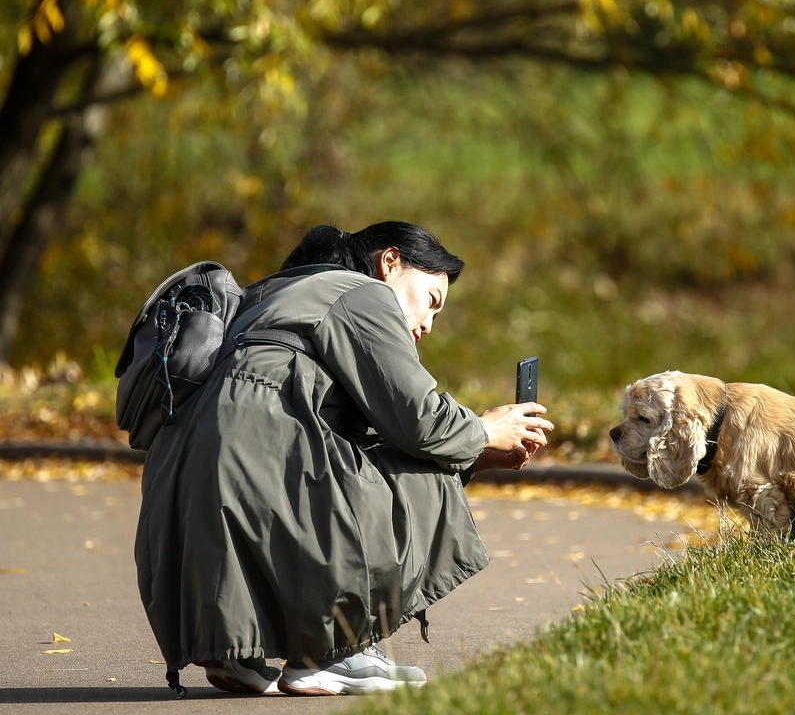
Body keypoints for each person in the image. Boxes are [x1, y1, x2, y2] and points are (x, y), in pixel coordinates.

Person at [134, 221, 554, 697]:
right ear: (389, 262)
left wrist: (475, 454)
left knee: (361, 463)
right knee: (424, 468)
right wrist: (484, 430)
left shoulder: (268, 295)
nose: (428, 324)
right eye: (431, 301)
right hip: (256, 462)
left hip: (174, 482)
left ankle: (233, 651)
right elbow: (418, 420)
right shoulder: (360, 294)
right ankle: (336, 651)